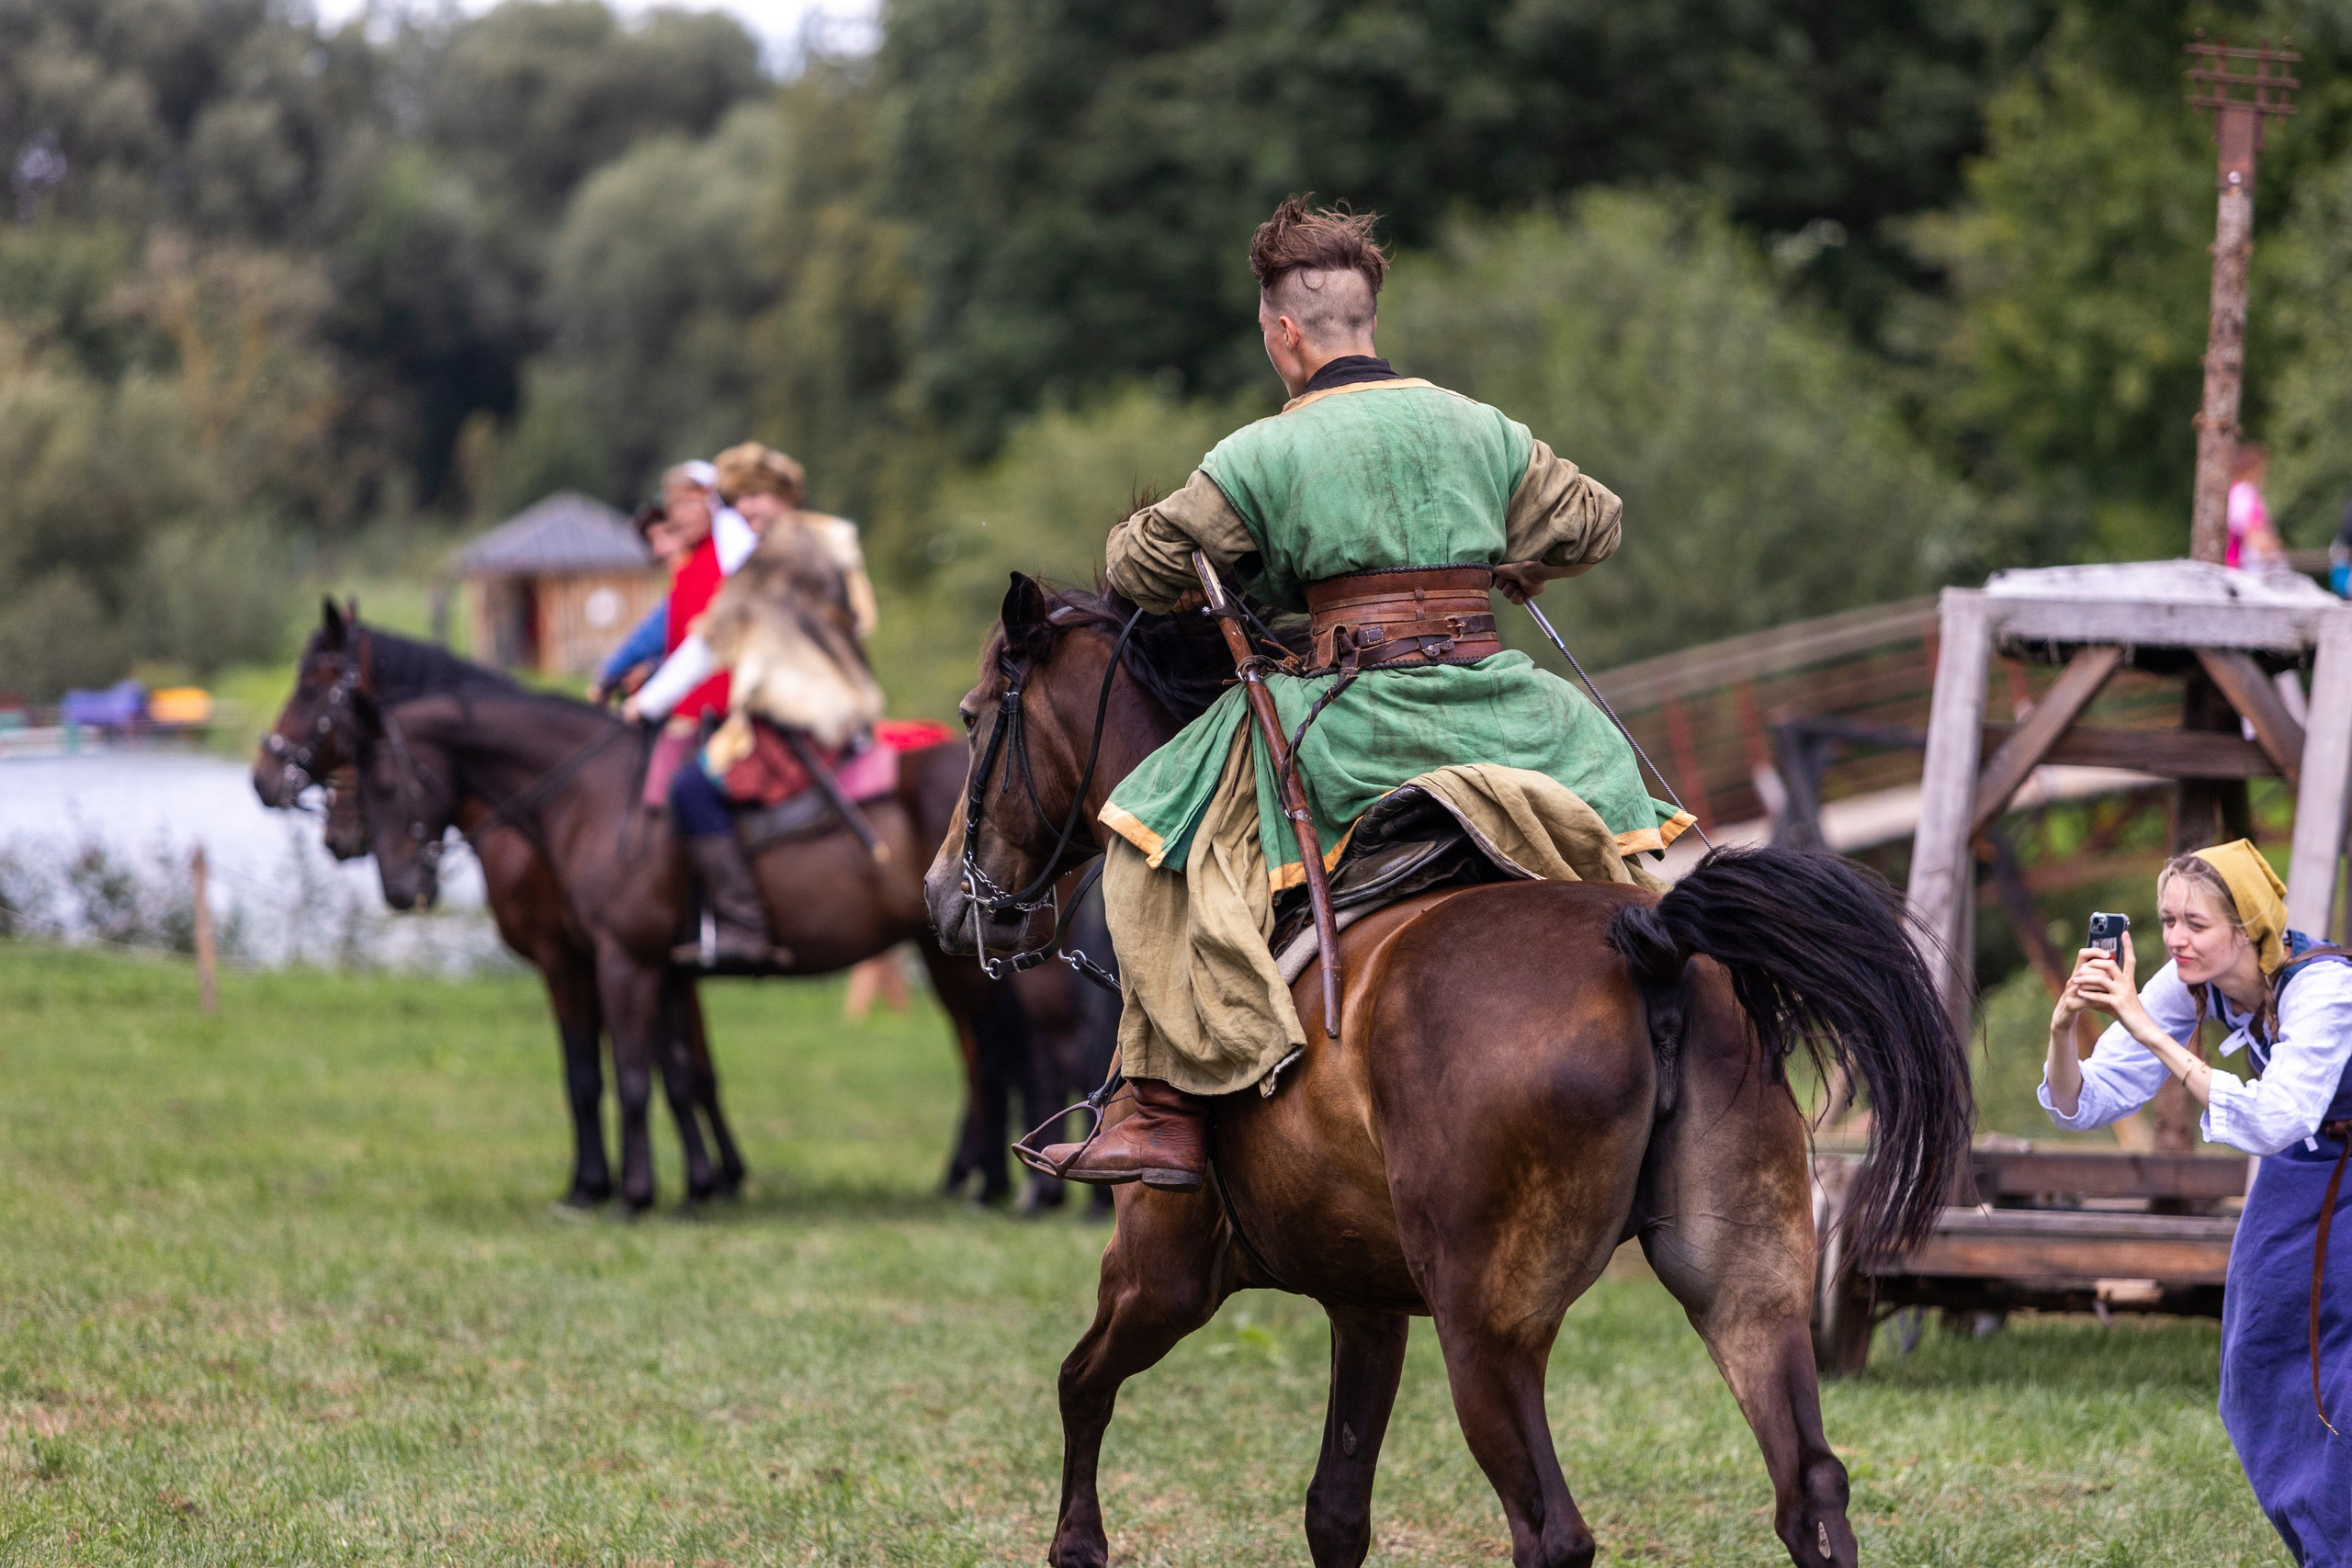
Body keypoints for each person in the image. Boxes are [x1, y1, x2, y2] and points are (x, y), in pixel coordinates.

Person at [1034, 197, 1690, 1190]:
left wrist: (1252, 558)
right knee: (1644, 872)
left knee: (1148, 841)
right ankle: (1686, 1062)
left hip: (1348, 721)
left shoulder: (1260, 451)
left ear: (1283, 331)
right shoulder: (1481, 428)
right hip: (1506, 706)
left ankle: (1161, 1112)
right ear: (1366, 319)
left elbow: (1140, 567)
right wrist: (1505, 562)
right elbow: (1592, 521)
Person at [2041, 841, 2352, 1563]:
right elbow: (2082, 1100)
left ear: (2245, 925)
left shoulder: (2324, 986)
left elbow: (2275, 1116)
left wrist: (2150, 1031)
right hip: (2302, 1171)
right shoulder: (2189, 984)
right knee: (2253, 1358)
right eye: (2166, 919)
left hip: (2321, 1157)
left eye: (2195, 923)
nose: (2175, 938)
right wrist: (2063, 1030)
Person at [627, 459, 786, 969]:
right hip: (696, 702)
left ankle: (741, 924)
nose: (679, 513)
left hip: (734, 707)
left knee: (688, 789)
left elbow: (709, 644)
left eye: (691, 501)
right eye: (674, 503)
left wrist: (650, 697)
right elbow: (679, 640)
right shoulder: (696, 561)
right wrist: (647, 672)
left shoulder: (732, 553)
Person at [589, 502, 689, 707]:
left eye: (669, 533)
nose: (660, 548)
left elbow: (657, 631)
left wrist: (609, 673)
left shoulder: (711, 572)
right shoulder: (679, 584)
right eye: (653, 540)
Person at [2229, 444, 2290, 574]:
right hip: (2245, 570)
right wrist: (2274, 551)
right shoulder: (2243, 493)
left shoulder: (2236, 492)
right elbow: (2253, 535)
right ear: (2252, 469)